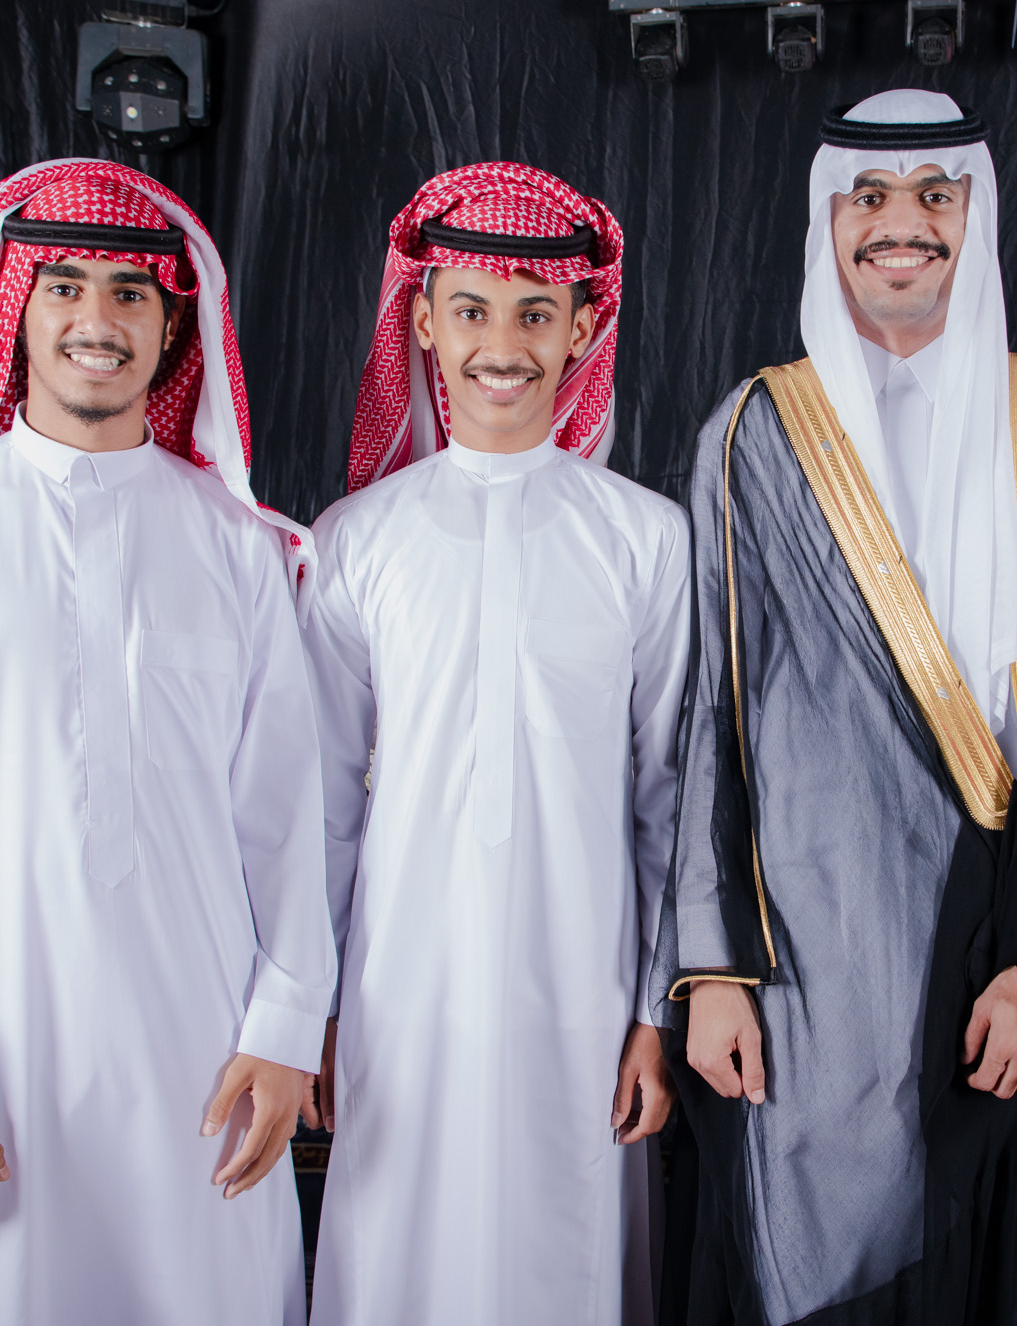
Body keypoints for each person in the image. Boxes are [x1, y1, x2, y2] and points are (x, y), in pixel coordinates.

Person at [653, 91, 1017, 1325]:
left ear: (973, 219)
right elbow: (710, 718)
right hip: (805, 956)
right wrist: (713, 969)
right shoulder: (754, 432)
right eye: (870, 197)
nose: (902, 224)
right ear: (826, 222)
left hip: (1005, 933)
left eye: (936, 195)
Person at [0, 160, 333, 1325]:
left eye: (129, 292)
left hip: (204, 1056)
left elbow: (285, 817)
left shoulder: (238, 546)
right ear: (14, 308)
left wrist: (286, 1031)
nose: (96, 319)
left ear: (170, 328)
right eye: (63, 285)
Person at [305, 162, 688, 1326]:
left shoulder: (643, 539)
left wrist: (655, 1013)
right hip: (396, 992)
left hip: (582, 993)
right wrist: (312, 1007)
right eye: (471, 310)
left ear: (582, 328)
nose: (502, 345)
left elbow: (669, 797)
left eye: (534, 314)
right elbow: (319, 805)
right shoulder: (355, 539)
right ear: (424, 322)